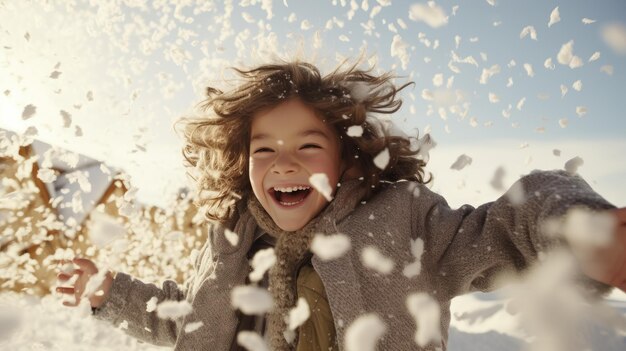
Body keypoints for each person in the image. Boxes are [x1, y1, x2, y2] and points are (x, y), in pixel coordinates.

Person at [56, 61, 626, 351]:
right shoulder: (231, 234)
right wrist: (110, 293)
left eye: (307, 146)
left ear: (349, 159)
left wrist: (579, 232)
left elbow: (504, 227)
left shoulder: (400, 220)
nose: (285, 163)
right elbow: (188, 319)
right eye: (264, 149)